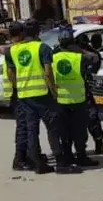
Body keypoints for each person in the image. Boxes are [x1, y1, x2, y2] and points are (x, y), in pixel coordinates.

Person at [5, 19, 79, 174]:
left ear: (24, 33)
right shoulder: (42, 48)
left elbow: (11, 74)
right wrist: (54, 91)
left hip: (24, 96)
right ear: (38, 32)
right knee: (54, 128)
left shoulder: (12, 51)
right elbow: (48, 72)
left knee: (32, 130)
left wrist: (19, 89)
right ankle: (61, 163)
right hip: (43, 95)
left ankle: (38, 164)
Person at [53, 28, 100, 167]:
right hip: (78, 100)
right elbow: (95, 58)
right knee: (79, 131)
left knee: (64, 131)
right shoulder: (79, 57)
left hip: (60, 100)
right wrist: (80, 48)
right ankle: (81, 156)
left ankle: (67, 156)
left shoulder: (53, 56)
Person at [2, 22, 39, 170]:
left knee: (23, 127)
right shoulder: (15, 50)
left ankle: (27, 156)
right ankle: (20, 159)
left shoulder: (10, 50)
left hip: (14, 92)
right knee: (24, 127)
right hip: (18, 93)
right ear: (22, 34)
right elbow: (14, 74)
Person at [76, 32, 103, 155]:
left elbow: (93, 67)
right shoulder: (75, 55)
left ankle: (99, 145)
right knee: (84, 122)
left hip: (87, 91)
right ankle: (82, 150)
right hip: (78, 93)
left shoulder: (90, 55)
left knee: (93, 120)